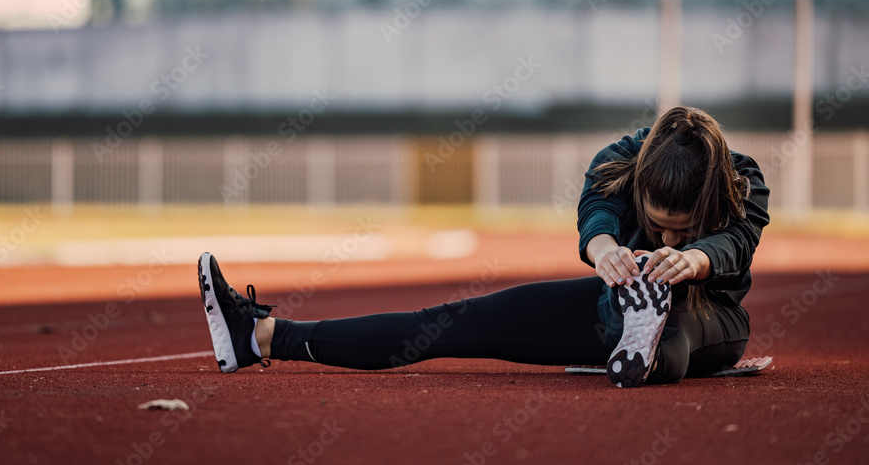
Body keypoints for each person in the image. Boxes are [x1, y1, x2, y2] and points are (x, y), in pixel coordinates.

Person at [198, 106, 770, 387]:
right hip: (609, 304)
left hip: (713, 317)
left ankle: (643, 347)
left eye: (682, 228)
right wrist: (604, 252)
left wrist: (688, 259)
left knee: (678, 326)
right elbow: (595, 214)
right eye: (657, 225)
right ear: (642, 185)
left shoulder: (741, 181)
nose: (667, 237)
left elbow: (736, 242)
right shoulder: (620, 161)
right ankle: (260, 336)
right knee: (445, 323)